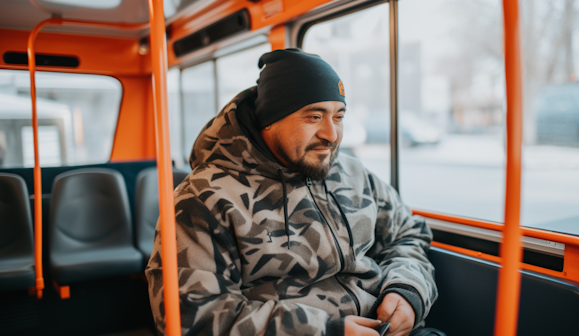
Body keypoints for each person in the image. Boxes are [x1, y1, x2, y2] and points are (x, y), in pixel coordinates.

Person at [147, 49, 441, 336]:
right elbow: (191, 315)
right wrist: (323, 331)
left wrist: (408, 291)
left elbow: (408, 234)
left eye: (338, 117)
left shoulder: (353, 175)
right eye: (314, 116)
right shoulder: (203, 199)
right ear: (269, 121)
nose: (332, 134)